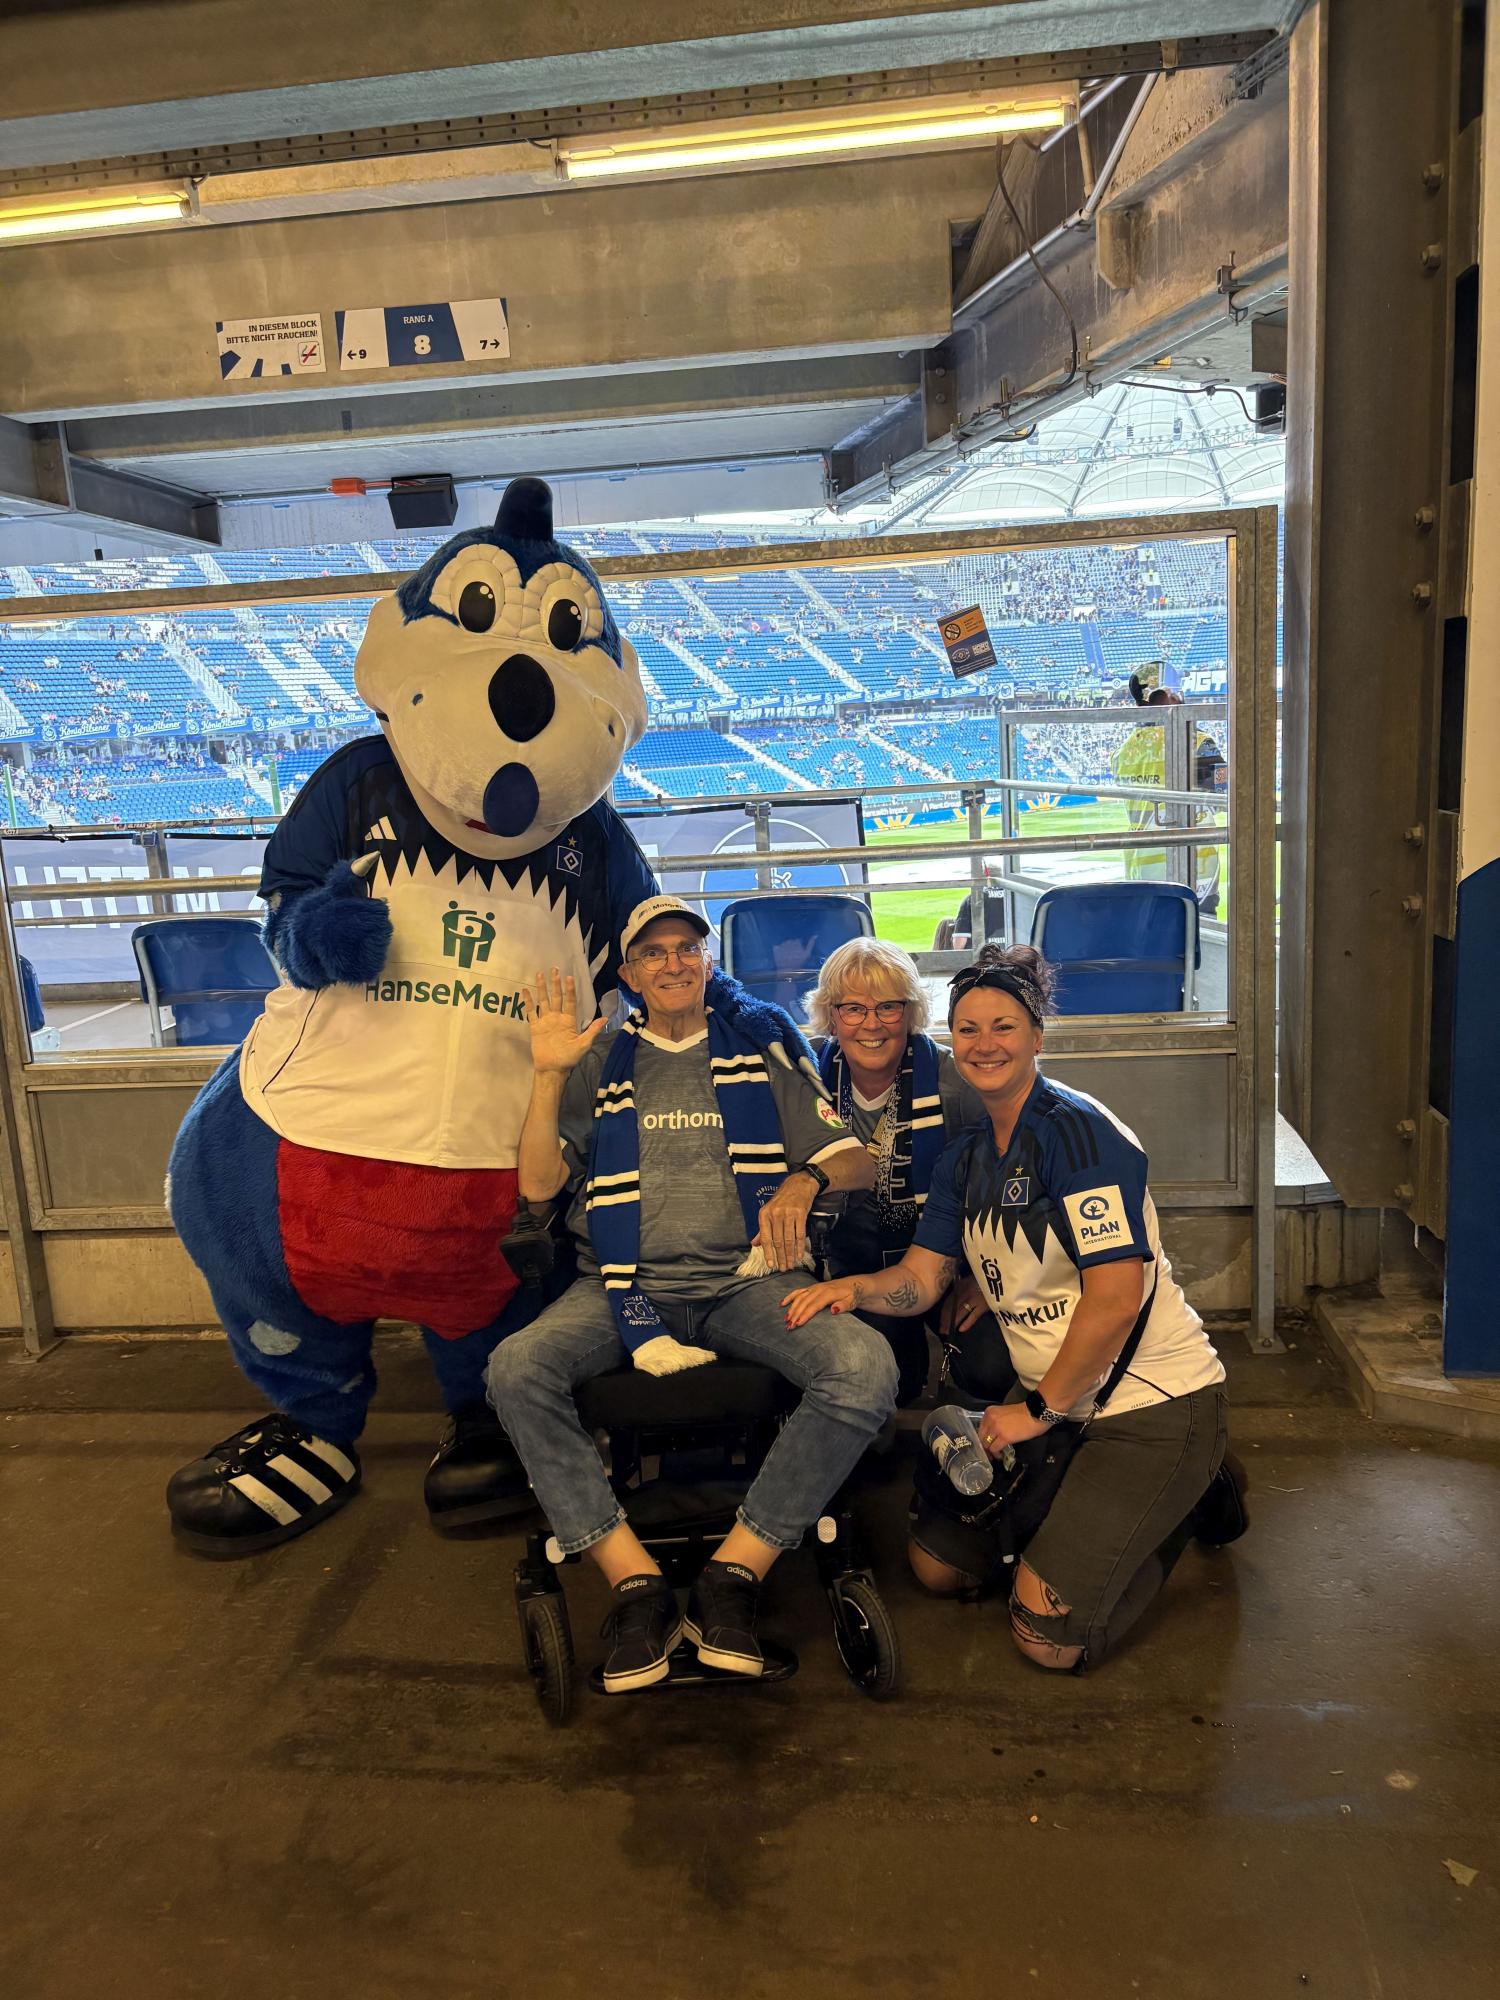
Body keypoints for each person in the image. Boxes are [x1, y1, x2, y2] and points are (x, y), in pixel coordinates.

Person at [787, 942, 1245, 1673]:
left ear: (1037, 1035)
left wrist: (1035, 1413)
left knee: (1046, 1638)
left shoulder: (1081, 1135)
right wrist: (855, 1290)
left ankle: (1182, 1503)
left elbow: (1116, 1299)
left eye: (1004, 1026)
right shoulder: (965, 1155)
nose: (984, 1044)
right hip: (1052, 1402)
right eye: (968, 1029)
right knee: (937, 1570)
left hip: (1146, 1402)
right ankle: (1084, 1519)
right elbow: (922, 1279)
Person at [486, 895, 896, 1694]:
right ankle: (634, 1582)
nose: (672, 962)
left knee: (864, 1367)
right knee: (514, 1368)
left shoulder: (762, 1049)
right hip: (620, 1288)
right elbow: (537, 1186)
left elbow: (856, 1159)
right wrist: (548, 1075)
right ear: (630, 973)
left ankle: (733, 1574)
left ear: (708, 962)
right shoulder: (598, 1062)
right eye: (654, 952)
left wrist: (804, 1180)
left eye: (686, 948)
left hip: (749, 1282)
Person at [805, 937, 999, 1405]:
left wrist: (986, 1281)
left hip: (946, 1261)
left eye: (888, 1007)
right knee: (890, 1378)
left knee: (989, 1364)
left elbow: (1003, 1195)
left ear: (911, 1012)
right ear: (830, 1015)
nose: (871, 1024)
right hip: (843, 1263)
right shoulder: (804, 1075)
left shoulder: (958, 1085)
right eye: (853, 1008)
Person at [1114, 674, 1227, 914]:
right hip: (1194, 867)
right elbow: (1225, 794)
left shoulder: (1123, 751)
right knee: (1198, 933)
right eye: (1173, 695)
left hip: (1141, 866)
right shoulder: (1198, 742)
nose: (1179, 698)